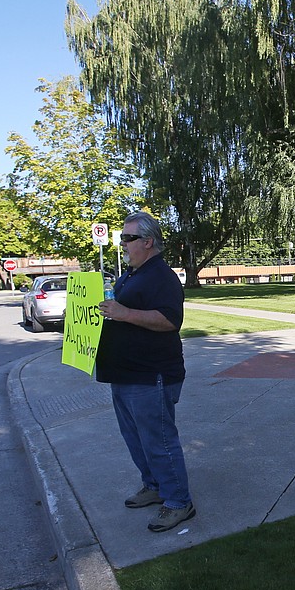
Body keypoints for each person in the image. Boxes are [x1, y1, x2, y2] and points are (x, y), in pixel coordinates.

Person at [96, 211, 196, 533]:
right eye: (122, 238)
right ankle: (154, 486)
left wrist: (124, 313)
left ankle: (179, 502)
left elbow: (170, 321)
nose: (123, 244)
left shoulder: (161, 276)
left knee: (159, 441)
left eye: (128, 238)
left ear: (148, 241)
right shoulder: (130, 275)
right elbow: (118, 313)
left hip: (151, 376)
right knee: (135, 439)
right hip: (124, 375)